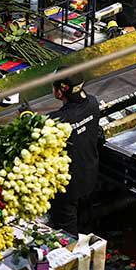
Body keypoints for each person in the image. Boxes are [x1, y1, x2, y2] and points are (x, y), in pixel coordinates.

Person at [48, 76, 101, 234]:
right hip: (90, 174)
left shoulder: (57, 120)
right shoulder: (92, 102)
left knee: (67, 229)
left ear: (60, 91)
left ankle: (73, 253)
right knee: (85, 217)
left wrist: (26, 115)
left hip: (68, 186)